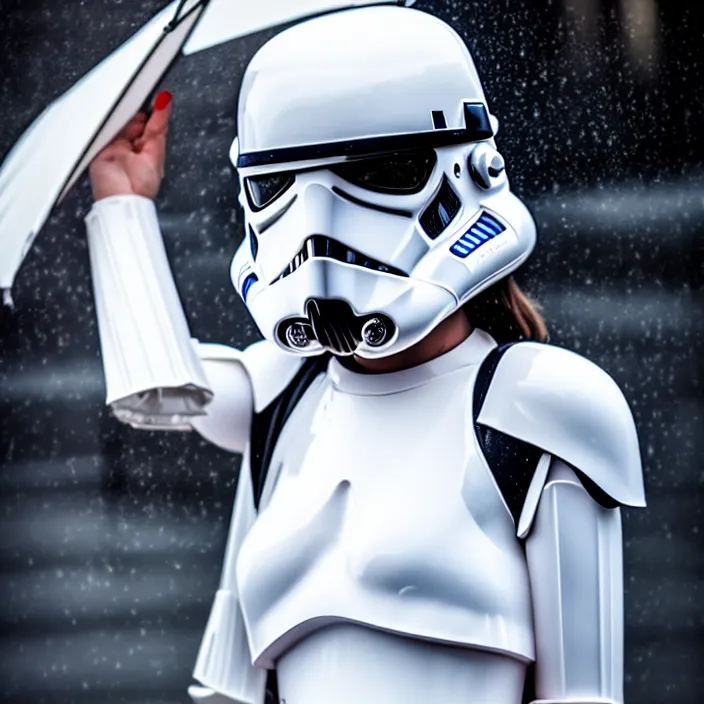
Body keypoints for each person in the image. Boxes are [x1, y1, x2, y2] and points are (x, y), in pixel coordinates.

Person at [85, 6, 645, 704]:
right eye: (279, 185)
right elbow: (157, 386)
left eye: (382, 173)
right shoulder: (285, 399)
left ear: (472, 166)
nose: (320, 225)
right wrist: (122, 200)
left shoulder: (538, 407)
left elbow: (582, 697)